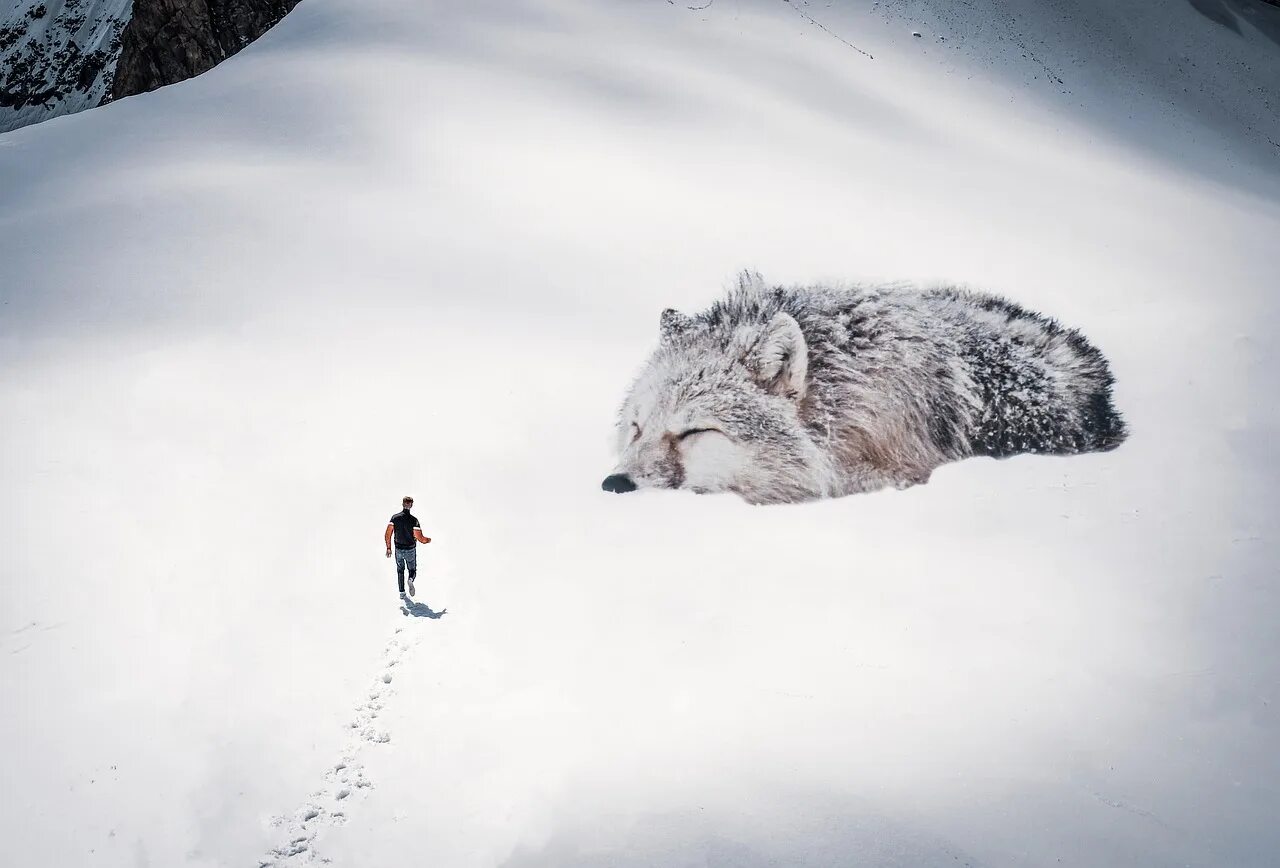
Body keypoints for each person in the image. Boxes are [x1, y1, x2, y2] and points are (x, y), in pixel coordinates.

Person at [385, 496, 431, 601]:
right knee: (412, 569)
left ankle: (402, 592)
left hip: (398, 549)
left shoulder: (394, 518)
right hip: (410, 549)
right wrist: (429, 540)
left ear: (403, 504)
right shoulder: (414, 520)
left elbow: (388, 534)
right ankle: (410, 579)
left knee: (400, 570)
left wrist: (388, 548)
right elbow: (421, 538)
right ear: (411, 505)